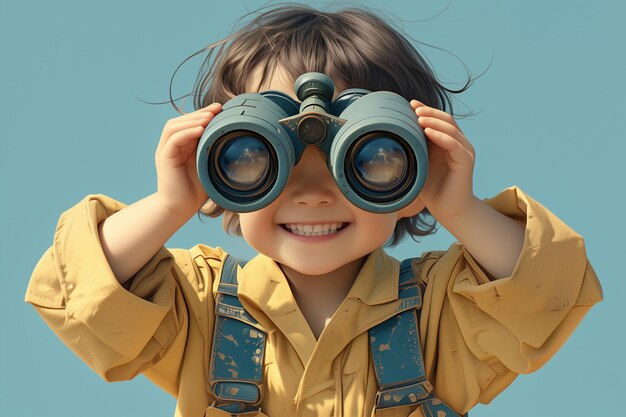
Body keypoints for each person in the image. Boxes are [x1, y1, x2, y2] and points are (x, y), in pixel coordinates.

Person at [25, 4, 603, 417]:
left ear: (415, 166)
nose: (312, 192)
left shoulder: (443, 313)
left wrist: (460, 206)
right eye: (257, 157)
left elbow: (545, 293)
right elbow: (77, 294)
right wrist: (171, 201)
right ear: (215, 167)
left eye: (366, 159)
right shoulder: (198, 307)